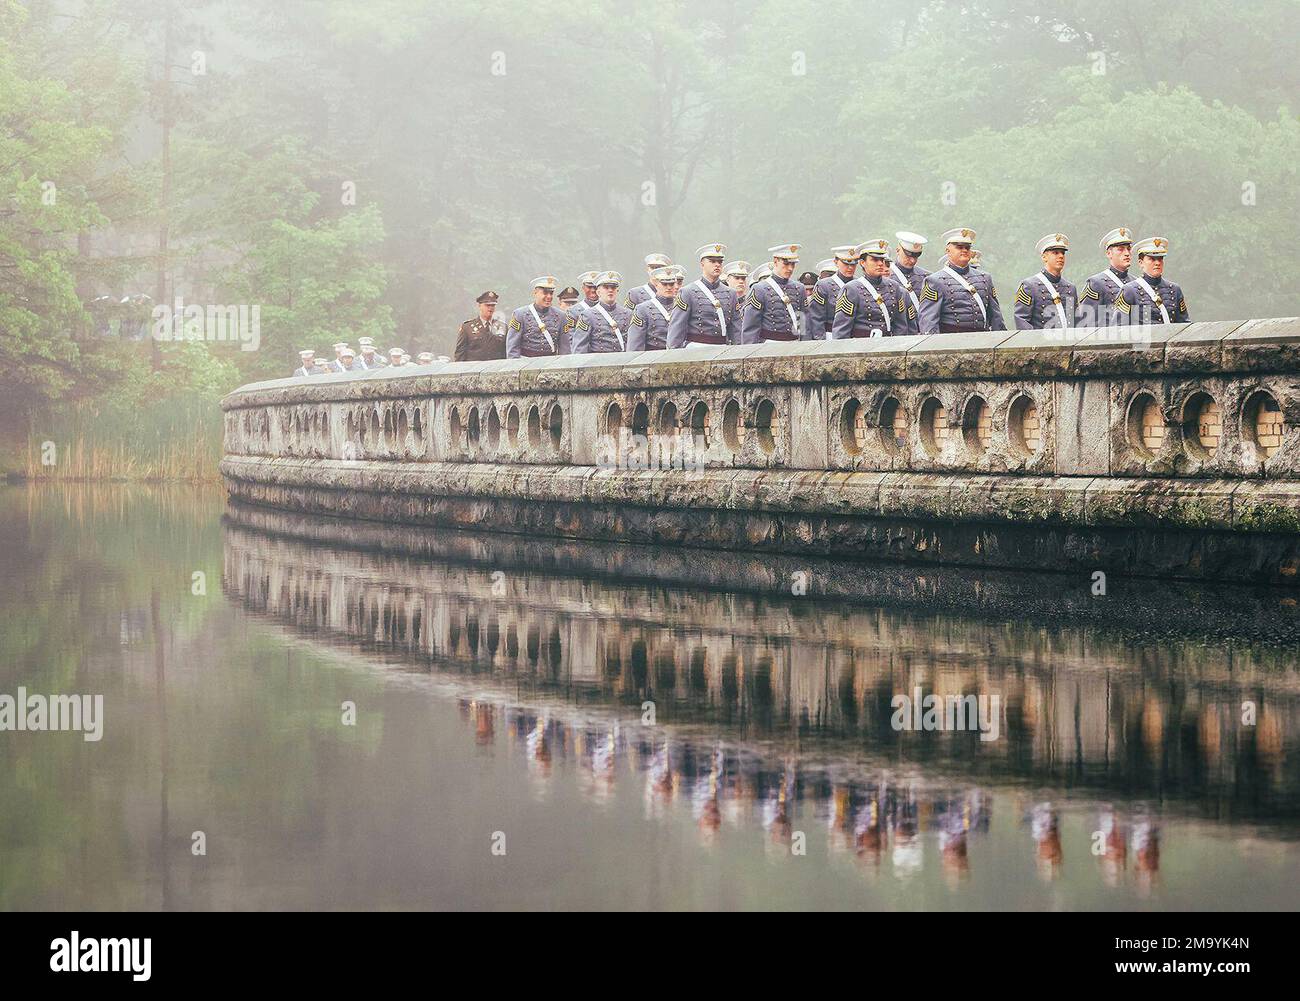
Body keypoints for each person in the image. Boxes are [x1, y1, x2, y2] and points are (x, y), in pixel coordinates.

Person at [917, 227, 1005, 334]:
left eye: (967, 247)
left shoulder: (985, 278)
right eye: (959, 247)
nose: (964, 250)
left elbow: (996, 317)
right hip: (951, 343)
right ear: (948, 251)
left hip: (983, 339)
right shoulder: (934, 281)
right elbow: (928, 321)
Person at [831, 239, 916, 338]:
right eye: (875, 260)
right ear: (862, 263)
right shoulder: (850, 289)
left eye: (882, 260)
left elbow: (901, 325)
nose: (880, 263)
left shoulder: (894, 287)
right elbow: (841, 331)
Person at [667, 243, 740, 348]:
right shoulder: (687, 292)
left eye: (720, 261)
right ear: (702, 264)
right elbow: (677, 327)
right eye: (712, 261)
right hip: (695, 349)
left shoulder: (731, 293)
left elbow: (736, 329)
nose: (717, 265)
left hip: (723, 349)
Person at [740, 244, 806, 344]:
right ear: (775, 261)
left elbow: (804, 323)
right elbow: (751, 328)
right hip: (769, 345)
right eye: (786, 263)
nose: (790, 269)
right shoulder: (759, 289)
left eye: (793, 264)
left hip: (795, 344)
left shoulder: (799, 288)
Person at [1114, 237, 1188, 325]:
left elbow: (1184, 324)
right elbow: (1118, 329)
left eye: (1160, 258)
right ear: (1141, 262)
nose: (1157, 263)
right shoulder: (1129, 291)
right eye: (1152, 259)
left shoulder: (1175, 289)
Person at [1013, 234, 1078, 329]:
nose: (1061, 256)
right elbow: (1022, 321)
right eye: (1055, 253)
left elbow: (1075, 322)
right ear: (1044, 257)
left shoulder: (1071, 288)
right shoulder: (1029, 286)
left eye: (1063, 253)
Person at [507, 276, 573, 357]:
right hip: (526, 364)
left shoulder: (561, 316)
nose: (549, 297)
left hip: (551, 364)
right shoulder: (520, 314)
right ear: (535, 292)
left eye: (551, 293)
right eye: (545, 293)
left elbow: (565, 348)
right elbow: (513, 347)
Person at [1079, 227, 1134, 322]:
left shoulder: (1136, 282)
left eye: (1128, 249)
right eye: (1120, 249)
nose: (1127, 253)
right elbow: (1086, 324)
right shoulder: (1096, 283)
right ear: (1109, 254)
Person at [572, 271, 632, 353]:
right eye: (606, 287)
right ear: (598, 292)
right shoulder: (587, 315)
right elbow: (579, 348)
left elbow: (634, 344)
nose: (610, 290)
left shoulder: (628, 314)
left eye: (613, 287)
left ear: (617, 291)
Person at [808, 246, 859, 339]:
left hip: (856, 337)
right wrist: (820, 341)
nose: (850, 267)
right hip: (830, 336)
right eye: (845, 263)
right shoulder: (823, 285)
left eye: (854, 264)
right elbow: (816, 318)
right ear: (836, 262)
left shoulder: (860, 284)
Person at [628, 266, 680, 351]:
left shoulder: (681, 306)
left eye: (671, 284)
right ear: (656, 285)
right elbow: (635, 344)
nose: (669, 287)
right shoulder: (642, 309)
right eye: (664, 284)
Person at [454, 290, 507, 361]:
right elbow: (460, 354)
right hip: (473, 370)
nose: (490, 308)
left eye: (493, 305)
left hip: (495, 370)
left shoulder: (502, 327)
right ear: (479, 306)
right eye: (487, 305)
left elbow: (507, 352)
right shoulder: (467, 327)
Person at [891, 232, 929, 319]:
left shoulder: (927, 277)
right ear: (898, 250)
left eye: (916, 256)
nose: (912, 260)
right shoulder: (886, 277)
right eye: (908, 255)